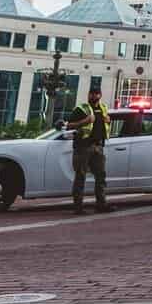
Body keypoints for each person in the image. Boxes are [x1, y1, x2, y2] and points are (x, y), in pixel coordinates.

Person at [66, 84, 114, 213]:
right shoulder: (81, 109)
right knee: (80, 177)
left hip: (98, 147)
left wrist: (108, 121)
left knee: (101, 176)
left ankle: (101, 204)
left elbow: (105, 125)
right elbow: (69, 125)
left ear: (100, 95)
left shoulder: (103, 108)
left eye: (96, 93)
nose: (94, 96)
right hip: (83, 147)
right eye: (92, 93)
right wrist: (85, 121)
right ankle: (78, 207)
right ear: (88, 95)